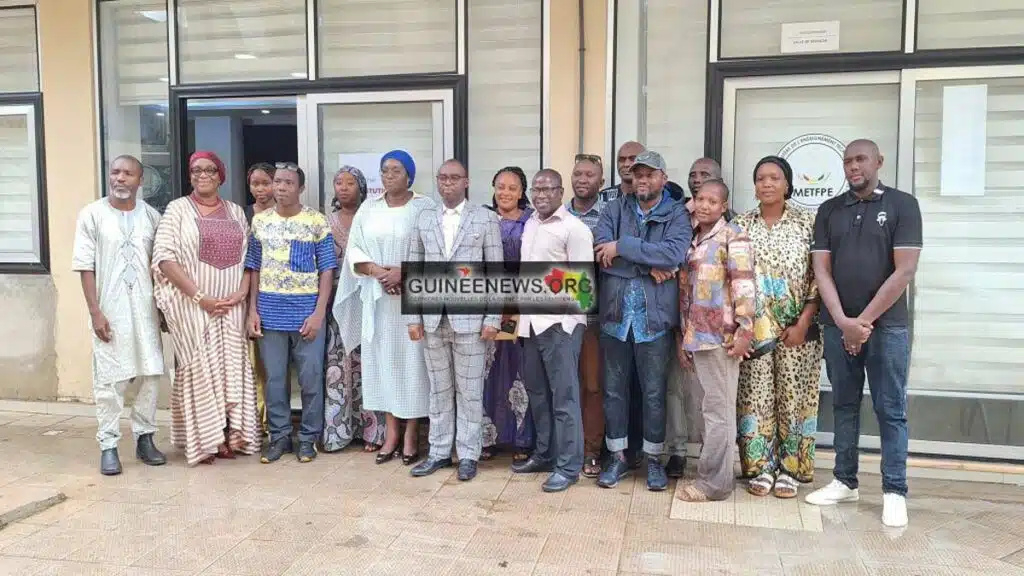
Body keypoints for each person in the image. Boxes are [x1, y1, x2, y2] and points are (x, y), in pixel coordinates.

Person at [804, 140, 922, 528]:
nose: (853, 166)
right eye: (848, 161)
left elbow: (904, 271)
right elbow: (822, 270)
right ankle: (844, 479)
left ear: (878, 162)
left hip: (886, 329)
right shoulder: (829, 210)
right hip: (839, 328)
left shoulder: (903, 205)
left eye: (861, 159)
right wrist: (842, 321)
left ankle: (894, 490)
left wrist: (863, 323)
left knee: (890, 409)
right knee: (844, 404)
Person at [152, 151, 260, 466]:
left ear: (220, 175)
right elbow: (164, 258)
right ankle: (204, 442)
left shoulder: (236, 211)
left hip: (231, 305)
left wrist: (240, 293)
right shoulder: (177, 210)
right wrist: (201, 298)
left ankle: (230, 436)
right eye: (196, 170)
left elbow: (248, 257)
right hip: (192, 305)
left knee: (230, 370)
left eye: (210, 170)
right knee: (200, 368)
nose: (203, 175)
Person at [593, 151, 692, 492]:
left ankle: (653, 460)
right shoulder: (614, 209)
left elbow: (673, 254)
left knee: (653, 393)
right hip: (615, 317)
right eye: (637, 175)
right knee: (614, 392)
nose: (642, 181)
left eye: (650, 174)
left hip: (655, 319)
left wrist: (622, 246)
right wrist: (647, 267)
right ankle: (618, 457)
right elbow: (600, 253)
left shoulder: (676, 214)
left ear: (663, 178)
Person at [334, 150, 434, 465]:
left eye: (396, 170)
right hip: (377, 302)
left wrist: (403, 273)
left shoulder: (425, 207)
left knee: (414, 367)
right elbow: (355, 252)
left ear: (410, 176)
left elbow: (437, 251)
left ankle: (411, 434)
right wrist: (380, 273)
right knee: (383, 366)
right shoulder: (369, 208)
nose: (388, 175)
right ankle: (390, 432)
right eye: (384, 170)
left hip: (413, 301)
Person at [407, 159, 504, 482]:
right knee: (438, 390)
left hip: (471, 320)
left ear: (466, 182)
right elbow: (414, 268)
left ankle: (468, 454)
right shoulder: (423, 218)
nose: (447, 183)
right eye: (442, 178)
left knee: (470, 391)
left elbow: (496, 271)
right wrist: (413, 316)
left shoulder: (486, 219)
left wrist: (493, 316)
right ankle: (437, 452)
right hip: (433, 319)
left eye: (454, 178)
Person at [733, 156, 822, 498]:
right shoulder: (741, 225)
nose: (767, 184)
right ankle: (760, 467)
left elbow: (818, 276)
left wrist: (804, 321)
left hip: (798, 328)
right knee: (755, 399)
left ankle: (790, 469)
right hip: (754, 331)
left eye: (774, 178)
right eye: (760, 178)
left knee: (793, 398)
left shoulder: (807, 224)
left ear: (787, 184)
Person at [72, 155, 167, 476]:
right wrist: (95, 312)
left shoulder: (152, 217)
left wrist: (164, 310)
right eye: (115, 172)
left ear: (141, 180)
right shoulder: (92, 215)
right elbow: (85, 266)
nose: (120, 178)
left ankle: (145, 438)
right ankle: (108, 445)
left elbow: (161, 265)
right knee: (110, 381)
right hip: (109, 311)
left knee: (150, 375)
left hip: (146, 310)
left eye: (128, 174)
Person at [246, 163, 337, 464]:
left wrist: (318, 313)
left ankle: (309, 437)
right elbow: (254, 268)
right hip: (270, 313)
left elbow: (327, 270)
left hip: (307, 313)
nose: (281, 187)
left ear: (300, 188)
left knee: (311, 378)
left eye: (288, 182)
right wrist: (252, 311)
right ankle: (280, 436)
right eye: (277, 182)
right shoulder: (260, 223)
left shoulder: (316, 221)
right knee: (274, 379)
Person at [512, 169, 593, 493]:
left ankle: (569, 466)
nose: (541, 194)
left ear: (561, 192)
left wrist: (570, 325)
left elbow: (583, 284)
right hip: (531, 324)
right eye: (537, 189)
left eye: (548, 189)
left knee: (565, 398)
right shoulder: (531, 223)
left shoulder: (574, 229)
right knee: (538, 395)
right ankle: (544, 454)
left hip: (559, 326)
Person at [676, 179, 755, 502]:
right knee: (709, 409)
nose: (704, 205)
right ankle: (712, 476)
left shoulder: (732, 237)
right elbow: (686, 291)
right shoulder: (692, 238)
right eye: (699, 199)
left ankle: (715, 484)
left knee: (719, 411)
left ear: (724, 206)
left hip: (721, 338)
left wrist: (745, 330)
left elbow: (744, 285)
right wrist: (684, 336)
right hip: (698, 336)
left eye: (712, 201)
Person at [322, 166, 387, 453]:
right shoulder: (325, 223)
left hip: (370, 302)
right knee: (339, 368)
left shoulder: (372, 217)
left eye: (350, 182)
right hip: (336, 305)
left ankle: (374, 432)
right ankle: (339, 431)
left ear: (361, 187)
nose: (344, 187)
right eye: (339, 182)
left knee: (371, 367)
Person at [480, 167, 536, 461]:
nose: (505, 193)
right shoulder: (481, 218)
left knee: (519, 369)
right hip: (488, 304)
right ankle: (487, 438)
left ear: (522, 192)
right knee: (488, 369)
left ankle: (521, 440)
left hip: (519, 304)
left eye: (512, 188)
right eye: (500, 186)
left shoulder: (532, 221)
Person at [566, 154, 606, 478]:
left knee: (593, 385)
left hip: (593, 317)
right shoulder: (556, 215)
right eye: (578, 173)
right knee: (564, 384)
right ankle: (567, 448)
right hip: (557, 316)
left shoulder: (608, 216)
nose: (582, 179)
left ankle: (592, 450)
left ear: (601, 182)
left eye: (589, 174)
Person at [244, 163, 275, 437]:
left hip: (275, 296)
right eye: (255, 183)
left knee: (271, 364)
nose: (261, 189)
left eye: (266, 183)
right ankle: (253, 421)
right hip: (247, 295)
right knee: (250, 364)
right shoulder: (241, 215)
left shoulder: (283, 216)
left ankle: (269, 420)